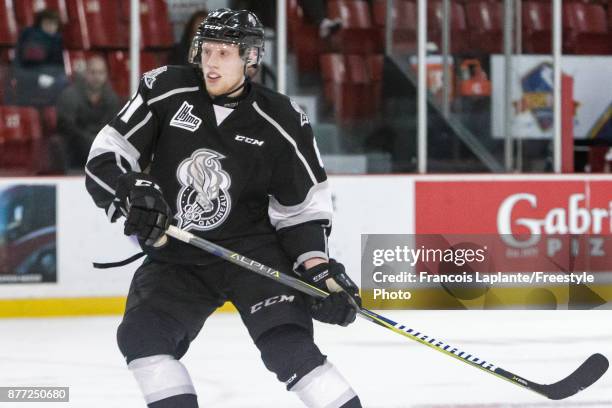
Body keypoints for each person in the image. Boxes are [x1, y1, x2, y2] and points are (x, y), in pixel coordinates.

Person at [85, 8, 363, 408]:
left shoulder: (283, 120)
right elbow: (107, 155)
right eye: (207, 51)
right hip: (179, 253)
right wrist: (132, 189)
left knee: (290, 351)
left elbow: (301, 210)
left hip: (254, 254)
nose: (211, 64)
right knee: (142, 338)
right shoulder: (165, 89)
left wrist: (318, 269)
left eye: (224, 54)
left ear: (250, 59)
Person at [57, 56, 120, 169]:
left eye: (101, 73)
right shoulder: (70, 95)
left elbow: (114, 127)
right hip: (76, 152)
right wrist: (90, 141)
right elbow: (66, 127)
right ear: (86, 73)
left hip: (103, 150)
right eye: (93, 72)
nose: (97, 77)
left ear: (106, 75)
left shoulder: (112, 98)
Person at [12, 9, 68, 106]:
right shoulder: (30, 38)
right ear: (40, 24)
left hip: (55, 79)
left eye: (54, 24)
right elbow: (19, 69)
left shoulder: (60, 41)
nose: (51, 27)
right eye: (47, 23)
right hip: (31, 82)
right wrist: (38, 78)